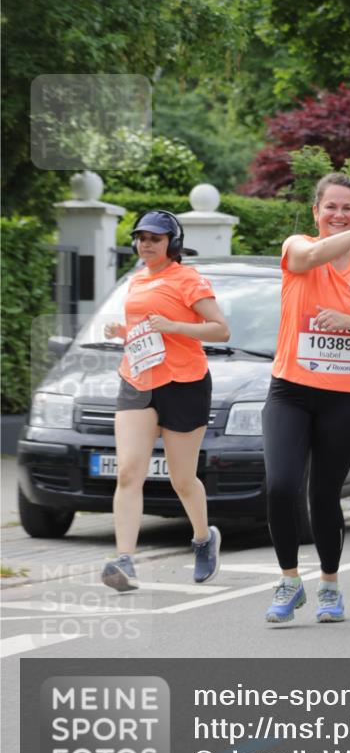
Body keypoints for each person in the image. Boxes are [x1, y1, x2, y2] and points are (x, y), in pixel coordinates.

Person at [262, 173, 350, 624]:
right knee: (281, 485)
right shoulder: (297, 248)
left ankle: (329, 586)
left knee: (324, 494)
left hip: (346, 397)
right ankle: (288, 580)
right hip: (291, 392)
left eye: (348, 209)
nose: (339, 215)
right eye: (331, 207)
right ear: (315, 212)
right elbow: (315, 255)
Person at [101, 210, 230, 592]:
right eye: (141, 237)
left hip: (185, 382)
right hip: (138, 379)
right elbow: (147, 330)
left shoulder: (188, 279)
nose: (146, 244)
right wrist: (124, 332)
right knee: (128, 471)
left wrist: (175, 327)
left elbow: (221, 329)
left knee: (182, 478)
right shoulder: (136, 280)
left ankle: (204, 539)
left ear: (171, 244)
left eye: (155, 238)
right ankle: (125, 560)